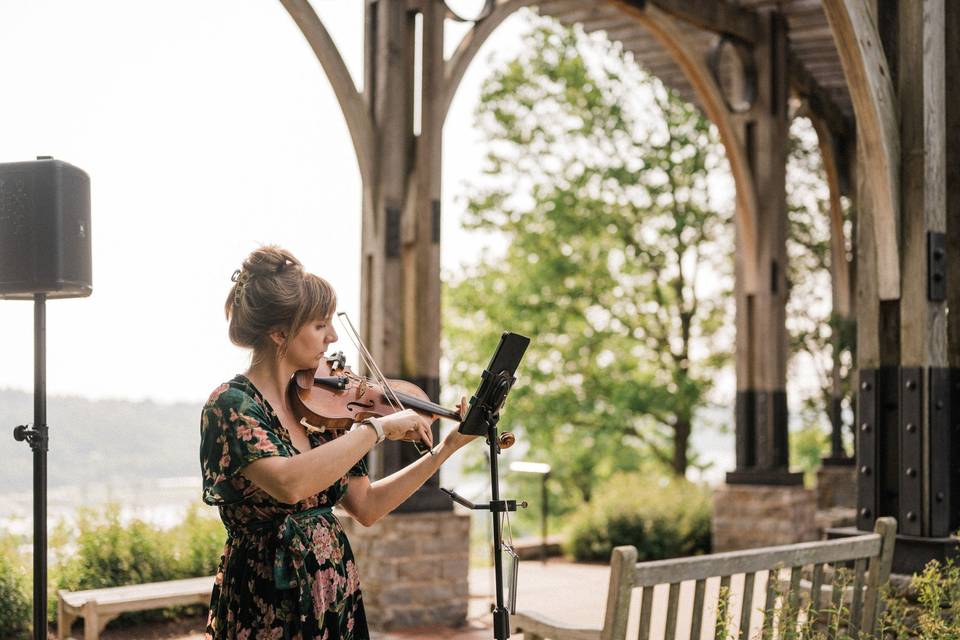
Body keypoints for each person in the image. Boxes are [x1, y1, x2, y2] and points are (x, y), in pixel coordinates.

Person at [200, 245, 476, 640]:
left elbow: (367, 506)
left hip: (331, 588)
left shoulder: (319, 412)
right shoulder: (231, 405)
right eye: (318, 326)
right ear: (279, 333)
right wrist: (376, 430)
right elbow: (290, 484)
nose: (331, 337)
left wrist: (446, 449)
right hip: (267, 598)